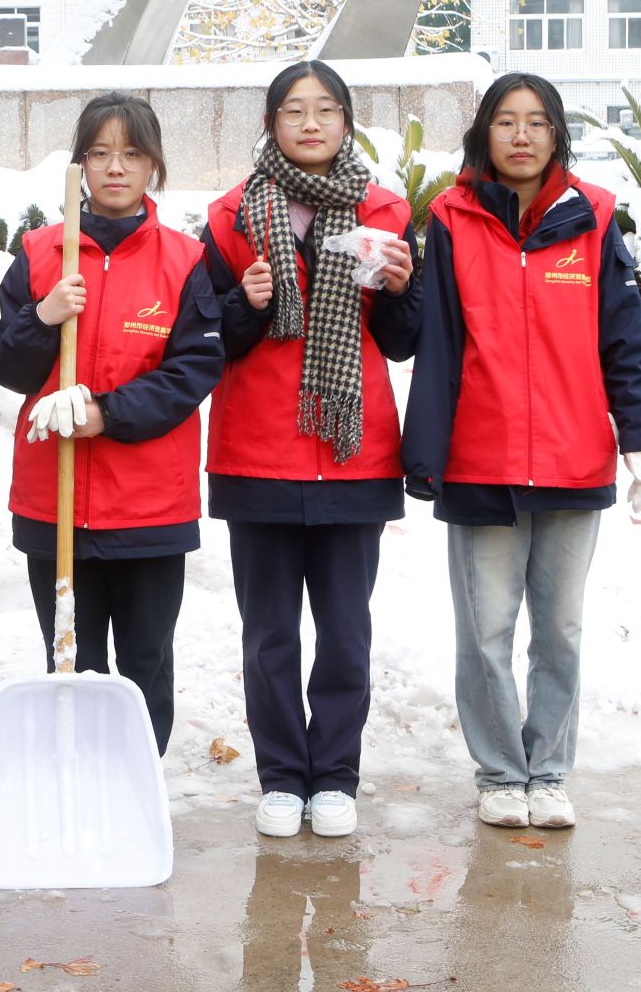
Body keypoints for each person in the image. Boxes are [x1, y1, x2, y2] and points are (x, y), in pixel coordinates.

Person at [402, 72, 641, 832]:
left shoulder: (593, 219)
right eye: (506, 121)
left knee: (560, 631)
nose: (521, 135)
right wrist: (426, 453)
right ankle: (499, 773)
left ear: (557, 135)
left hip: (573, 457)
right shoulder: (451, 220)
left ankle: (548, 772)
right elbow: (438, 344)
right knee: (485, 633)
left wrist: (638, 432)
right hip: (479, 463)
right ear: (484, 132)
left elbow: (623, 337)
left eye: (537, 121)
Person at [200, 60, 420, 841]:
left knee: (345, 631)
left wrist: (401, 289)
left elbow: (404, 340)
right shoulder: (230, 217)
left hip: (353, 451)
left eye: (326, 109)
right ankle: (282, 777)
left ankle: (334, 775)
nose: (311, 123)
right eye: (294, 110)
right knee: (268, 635)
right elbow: (205, 339)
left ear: (347, 122)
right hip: (258, 452)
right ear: (271, 124)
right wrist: (245, 304)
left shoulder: (384, 211)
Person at [0, 93, 223, 756]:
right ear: (80, 165)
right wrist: (42, 317)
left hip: (149, 506)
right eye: (99, 153)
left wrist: (107, 413)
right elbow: (9, 368)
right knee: (71, 657)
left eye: (131, 153)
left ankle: (136, 781)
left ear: (153, 164)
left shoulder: (184, 260)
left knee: (146, 659)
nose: (115, 167)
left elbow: (193, 369)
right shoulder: (40, 253)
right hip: (54, 499)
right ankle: (77, 776)